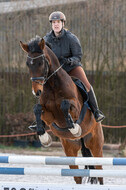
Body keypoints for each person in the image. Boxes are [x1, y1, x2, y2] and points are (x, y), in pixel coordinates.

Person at [44, 11, 105, 122]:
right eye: (53, 22)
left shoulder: (71, 38)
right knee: (41, 86)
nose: (56, 24)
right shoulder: (46, 39)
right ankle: (40, 120)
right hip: (56, 71)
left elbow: (78, 56)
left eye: (58, 22)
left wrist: (69, 61)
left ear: (63, 23)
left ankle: (96, 112)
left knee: (86, 84)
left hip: (71, 68)